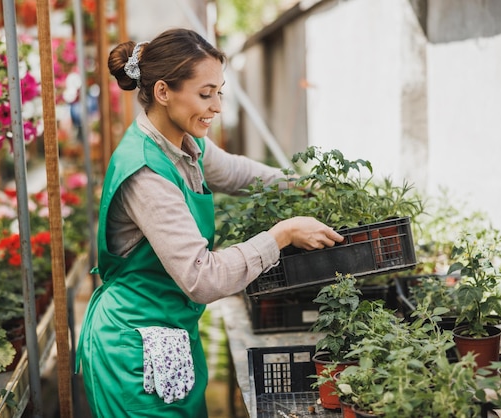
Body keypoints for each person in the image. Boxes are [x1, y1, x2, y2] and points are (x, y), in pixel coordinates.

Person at [76, 28, 344, 417]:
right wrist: (282, 234)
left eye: (219, 91)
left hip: (171, 330)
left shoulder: (187, 144)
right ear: (164, 92)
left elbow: (239, 174)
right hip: (133, 345)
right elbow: (203, 278)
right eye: (205, 94)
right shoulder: (146, 172)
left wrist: (310, 187)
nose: (216, 106)